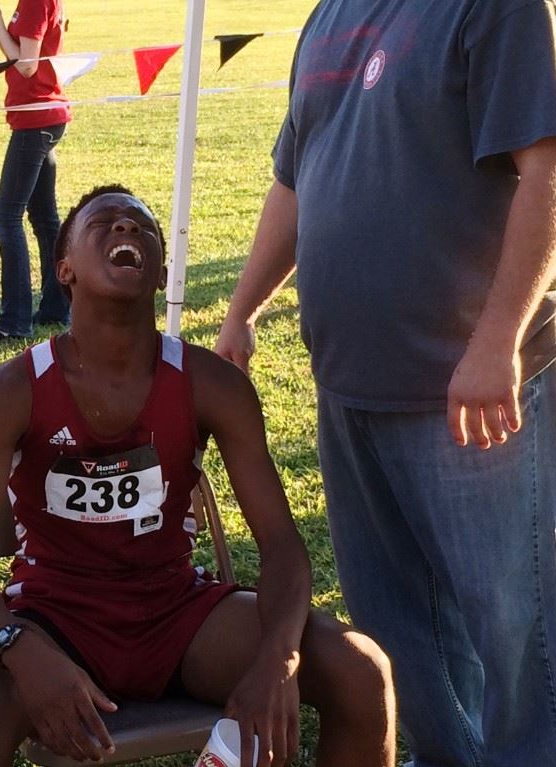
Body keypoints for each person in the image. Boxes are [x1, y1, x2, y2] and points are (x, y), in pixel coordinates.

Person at [0, 186, 396, 767]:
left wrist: (279, 661)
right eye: (105, 222)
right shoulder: (12, 390)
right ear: (65, 269)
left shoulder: (213, 384)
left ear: (159, 275)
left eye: (143, 227)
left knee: (360, 670)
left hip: (177, 614)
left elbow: (281, 545)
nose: (126, 229)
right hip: (55, 616)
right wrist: (19, 648)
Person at [214, 3, 556, 765]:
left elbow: (546, 172)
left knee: (514, 628)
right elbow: (293, 184)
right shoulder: (327, 16)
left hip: (469, 393)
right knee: (397, 626)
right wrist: (241, 310)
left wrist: (495, 340)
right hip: (348, 387)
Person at [0, 0, 71, 346]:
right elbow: (24, 55)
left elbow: (28, 66)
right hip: (42, 116)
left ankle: (15, 323)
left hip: (36, 120)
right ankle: (57, 308)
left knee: (6, 219)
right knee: (44, 218)